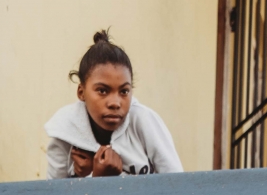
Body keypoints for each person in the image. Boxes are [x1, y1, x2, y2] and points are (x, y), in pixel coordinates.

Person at [44, 30, 183, 179]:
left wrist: (108, 178)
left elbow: (176, 185)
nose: (115, 103)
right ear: (81, 92)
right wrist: (89, 178)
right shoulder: (65, 133)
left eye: (124, 91)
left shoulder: (144, 121)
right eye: (103, 91)